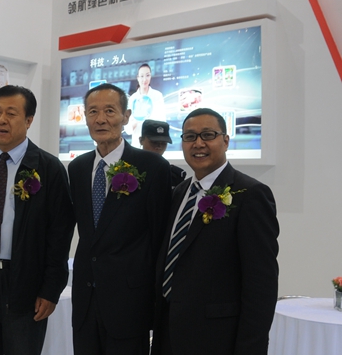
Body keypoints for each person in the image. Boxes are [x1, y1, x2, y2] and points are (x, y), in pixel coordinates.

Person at [0, 85, 74, 355]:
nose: (1, 120)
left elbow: (60, 234)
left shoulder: (48, 168)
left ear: (28, 121)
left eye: (11, 113)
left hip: (25, 284)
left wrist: (50, 289)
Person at [152, 108, 279, 355]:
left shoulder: (250, 195)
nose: (198, 143)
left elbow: (261, 285)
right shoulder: (180, 192)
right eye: (190, 136)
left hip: (217, 339)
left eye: (208, 135)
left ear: (226, 141)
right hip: (168, 334)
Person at [69, 83, 172, 354]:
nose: (100, 119)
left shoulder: (152, 167)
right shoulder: (77, 168)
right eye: (93, 112)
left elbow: (160, 238)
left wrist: (156, 302)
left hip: (129, 303)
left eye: (110, 111)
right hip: (85, 301)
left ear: (126, 117)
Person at [125, 63, 166, 147]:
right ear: (138, 78)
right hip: (137, 145)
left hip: (154, 144)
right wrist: (137, 119)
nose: (145, 79)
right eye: (142, 76)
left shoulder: (157, 96)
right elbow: (128, 130)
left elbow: (162, 123)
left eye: (147, 75)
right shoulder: (132, 99)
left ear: (150, 76)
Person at [139, 120, 187, 188]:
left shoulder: (174, 176)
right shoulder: (129, 170)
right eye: (154, 142)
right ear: (141, 140)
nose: (159, 147)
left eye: (163, 143)